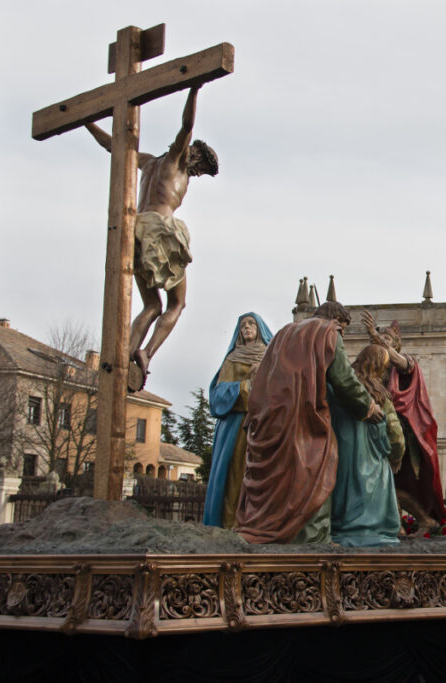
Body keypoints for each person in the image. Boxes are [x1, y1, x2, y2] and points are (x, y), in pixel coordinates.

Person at [84, 86, 219, 392]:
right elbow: (186, 126)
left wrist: (87, 122)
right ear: (193, 156)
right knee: (177, 303)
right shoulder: (176, 160)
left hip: (134, 228)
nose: (195, 176)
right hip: (160, 229)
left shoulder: (148, 162)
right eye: (199, 171)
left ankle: (125, 355)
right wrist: (194, 90)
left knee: (151, 305)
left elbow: (113, 146)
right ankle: (146, 351)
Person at [235, 301, 383, 544]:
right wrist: (368, 407)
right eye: (343, 328)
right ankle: (311, 541)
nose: (342, 334)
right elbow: (345, 380)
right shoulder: (328, 332)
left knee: (278, 477)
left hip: (269, 418)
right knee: (315, 469)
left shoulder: (283, 333)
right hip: (302, 418)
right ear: (336, 320)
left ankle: (271, 534)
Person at [361, 311, 446, 531]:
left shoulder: (407, 362)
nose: (383, 342)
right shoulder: (374, 367)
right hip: (375, 428)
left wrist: (374, 335)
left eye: (388, 339)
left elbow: (396, 360)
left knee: (392, 480)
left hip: (401, 432)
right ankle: (399, 524)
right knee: (385, 481)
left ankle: (418, 521)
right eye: (381, 339)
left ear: (397, 345)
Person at [328, 344, 405, 547]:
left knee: (343, 493)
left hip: (340, 455)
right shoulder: (380, 395)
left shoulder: (339, 390)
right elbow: (396, 434)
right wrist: (396, 455)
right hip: (373, 460)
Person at [203, 313, 273, 528]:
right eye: (243, 325)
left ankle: (262, 525)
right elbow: (218, 395)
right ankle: (232, 522)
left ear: (260, 328)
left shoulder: (271, 357)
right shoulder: (232, 358)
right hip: (236, 427)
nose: (247, 328)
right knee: (235, 474)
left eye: (251, 323)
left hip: (265, 424)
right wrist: (245, 386)